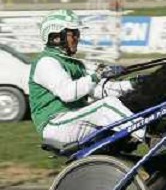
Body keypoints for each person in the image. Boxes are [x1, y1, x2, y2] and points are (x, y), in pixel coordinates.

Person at [28, 9, 143, 147]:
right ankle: (146, 135)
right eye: (74, 34)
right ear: (56, 36)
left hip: (72, 121)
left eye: (78, 33)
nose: (78, 38)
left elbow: (101, 90)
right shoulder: (46, 62)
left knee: (121, 102)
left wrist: (134, 84)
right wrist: (98, 75)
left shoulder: (71, 63)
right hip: (56, 126)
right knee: (107, 106)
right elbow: (68, 93)